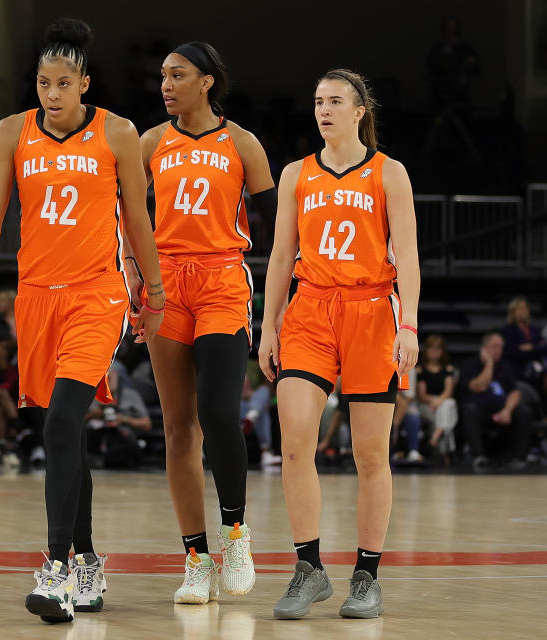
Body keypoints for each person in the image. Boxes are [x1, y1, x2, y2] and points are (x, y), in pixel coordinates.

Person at [0, 18, 164, 623]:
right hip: (36, 299)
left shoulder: (117, 133)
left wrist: (151, 290)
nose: (51, 93)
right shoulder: (10, 133)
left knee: (62, 425)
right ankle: (92, 557)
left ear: (84, 84)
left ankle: (57, 568)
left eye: (63, 83)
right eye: (44, 82)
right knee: (65, 433)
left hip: (97, 296)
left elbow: (137, 222)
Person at [259, 69, 420, 620]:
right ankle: (309, 569)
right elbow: (281, 256)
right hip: (309, 312)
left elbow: (409, 257)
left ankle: (366, 577)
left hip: (373, 314)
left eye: (335, 102)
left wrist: (410, 324)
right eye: (317, 102)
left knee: (370, 454)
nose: (323, 110)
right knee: (296, 442)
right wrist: (269, 323)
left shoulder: (388, 173)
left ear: (360, 112)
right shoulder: (296, 175)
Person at [137, 41, 275, 604]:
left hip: (221, 279)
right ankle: (196, 557)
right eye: (163, 76)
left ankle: (235, 534)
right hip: (165, 283)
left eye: (178, 75)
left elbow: (275, 227)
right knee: (177, 427)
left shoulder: (242, 143)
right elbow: (120, 209)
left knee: (219, 412)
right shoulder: (149, 142)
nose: (166, 85)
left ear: (207, 82)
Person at [459, 332, 533, 472]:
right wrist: (489, 364)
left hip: (501, 409)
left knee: (524, 412)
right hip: (479, 410)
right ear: (484, 348)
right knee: (470, 411)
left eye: (500, 347)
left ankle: (519, 457)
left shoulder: (505, 366)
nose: (498, 350)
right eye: (494, 346)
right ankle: (478, 456)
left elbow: (515, 392)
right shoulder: (470, 364)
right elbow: (479, 386)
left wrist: (507, 410)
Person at [415, 334, 457, 455]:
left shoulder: (448, 369)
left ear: (442, 351)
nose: (434, 351)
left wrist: (439, 402)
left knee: (448, 404)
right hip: (426, 406)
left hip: (441, 404)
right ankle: (445, 451)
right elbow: (421, 395)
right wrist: (434, 401)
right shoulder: (420, 369)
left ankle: (435, 437)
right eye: (431, 348)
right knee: (448, 410)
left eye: (438, 348)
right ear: (426, 350)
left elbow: (449, 391)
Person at [500, 297, 547, 391]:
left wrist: (531, 347)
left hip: (535, 372)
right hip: (516, 373)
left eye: (525, 308)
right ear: (513, 312)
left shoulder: (535, 330)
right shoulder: (507, 331)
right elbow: (511, 351)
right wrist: (536, 349)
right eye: (520, 309)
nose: (523, 311)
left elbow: (546, 348)